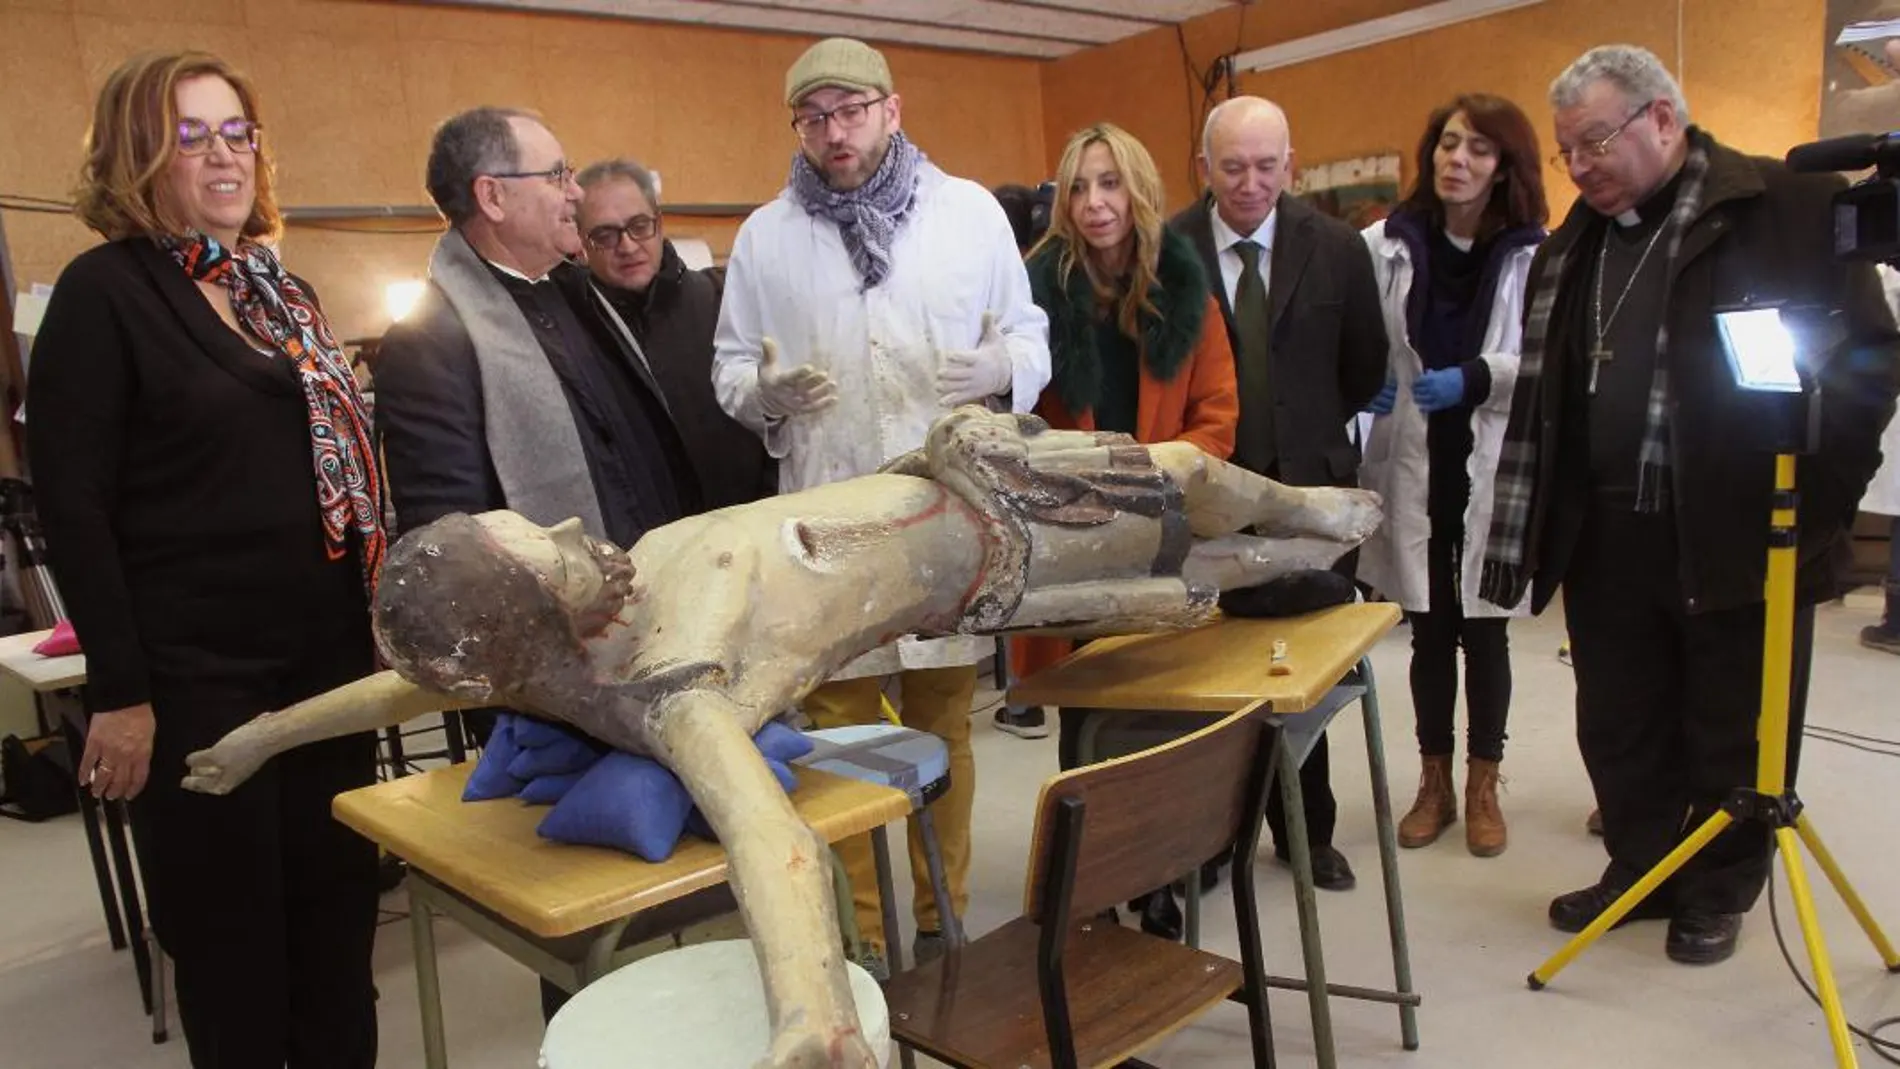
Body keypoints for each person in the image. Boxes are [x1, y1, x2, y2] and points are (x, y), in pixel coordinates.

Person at [181, 407, 1383, 1069]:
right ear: (531, 625)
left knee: (1195, 491)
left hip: (941, 469)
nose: (564, 524)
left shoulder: (544, 662)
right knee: (1191, 530)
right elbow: (771, 841)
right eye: (544, 545)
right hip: (986, 540)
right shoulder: (668, 679)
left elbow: (397, 691)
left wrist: (262, 734)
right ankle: (1286, 542)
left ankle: (1304, 511)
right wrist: (812, 1015)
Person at [1481, 44, 1900, 965]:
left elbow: (1871, 364)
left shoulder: (1786, 208)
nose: (1581, 165)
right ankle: (1643, 863)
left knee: (1733, 717)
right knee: (1620, 715)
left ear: (1663, 117)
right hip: (1605, 528)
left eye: (1595, 140)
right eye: (1567, 151)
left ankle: (1718, 886)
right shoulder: (1574, 244)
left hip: (1738, 527)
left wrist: (1818, 512)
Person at [26, 50, 383, 1067]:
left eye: (236, 131)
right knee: (234, 955)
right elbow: (75, 508)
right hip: (199, 683)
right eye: (190, 136)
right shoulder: (107, 296)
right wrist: (124, 692)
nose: (221, 154)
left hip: (327, 670)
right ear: (141, 156)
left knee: (335, 929)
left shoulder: (285, 292)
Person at [711, 37, 1051, 975]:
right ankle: (862, 929)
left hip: (940, 517)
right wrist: (766, 392)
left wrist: (1004, 370)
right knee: (841, 729)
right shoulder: (765, 236)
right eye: (813, 117)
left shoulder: (968, 213)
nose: (834, 133)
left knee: (943, 719)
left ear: (892, 111)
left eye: (851, 111)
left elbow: (1030, 334)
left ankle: (943, 911)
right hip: (828, 525)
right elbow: (730, 370)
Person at [374, 106, 700, 1019]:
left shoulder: (571, 290)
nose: (575, 192)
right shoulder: (434, 337)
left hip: (650, 625)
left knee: (675, 871)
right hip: (556, 670)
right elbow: (456, 540)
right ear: (492, 196)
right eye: (555, 176)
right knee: (585, 898)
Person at [1171, 95, 1390, 892]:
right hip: (1210, 497)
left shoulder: (1334, 248)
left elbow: (1365, 365)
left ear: (1291, 165)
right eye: (1233, 167)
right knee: (1203, 674)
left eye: (1267, 166)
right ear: (1203, 169)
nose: (1251, 183)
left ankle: (1307, 831)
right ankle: (1202, 842)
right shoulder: (1172, 249)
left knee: (1308, 674)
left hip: (1313, 492)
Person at [999, 122, 1238, 764]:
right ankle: (1094, 856)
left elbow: (1216, 422)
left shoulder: (1188, 296)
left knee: (1167, 701)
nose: (1095, 203)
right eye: (1079, 189)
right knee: (1087, 711)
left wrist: (1148, 479)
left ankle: (1176, 852)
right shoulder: (1033, 296)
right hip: (1073, 532)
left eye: (1110, 184)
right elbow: (1017, 422)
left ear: (1139, 192)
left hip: (1164, 527)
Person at [1357, 94, 1549, 858]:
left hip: (1488, 458)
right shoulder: (1388, 243)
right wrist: (1362, 381)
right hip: (1411, 453)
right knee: (1429, 632)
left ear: (1504, 167)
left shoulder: (1535, 254)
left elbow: (1545, 360)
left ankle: (1481, 785)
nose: (1456, 159)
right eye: (1446, 143)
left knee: (1485, 630)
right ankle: (1431, 784)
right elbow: (1363, 335)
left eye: (1476, 148)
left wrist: (1477, 376)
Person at [575, 157, 774, 510]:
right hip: (645, 549)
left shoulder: (721, 300)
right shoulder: (575, 332)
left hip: (746, 531)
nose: (627, 245)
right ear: (581, 243)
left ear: (659, 223)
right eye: (605, 235)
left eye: (639, 225)